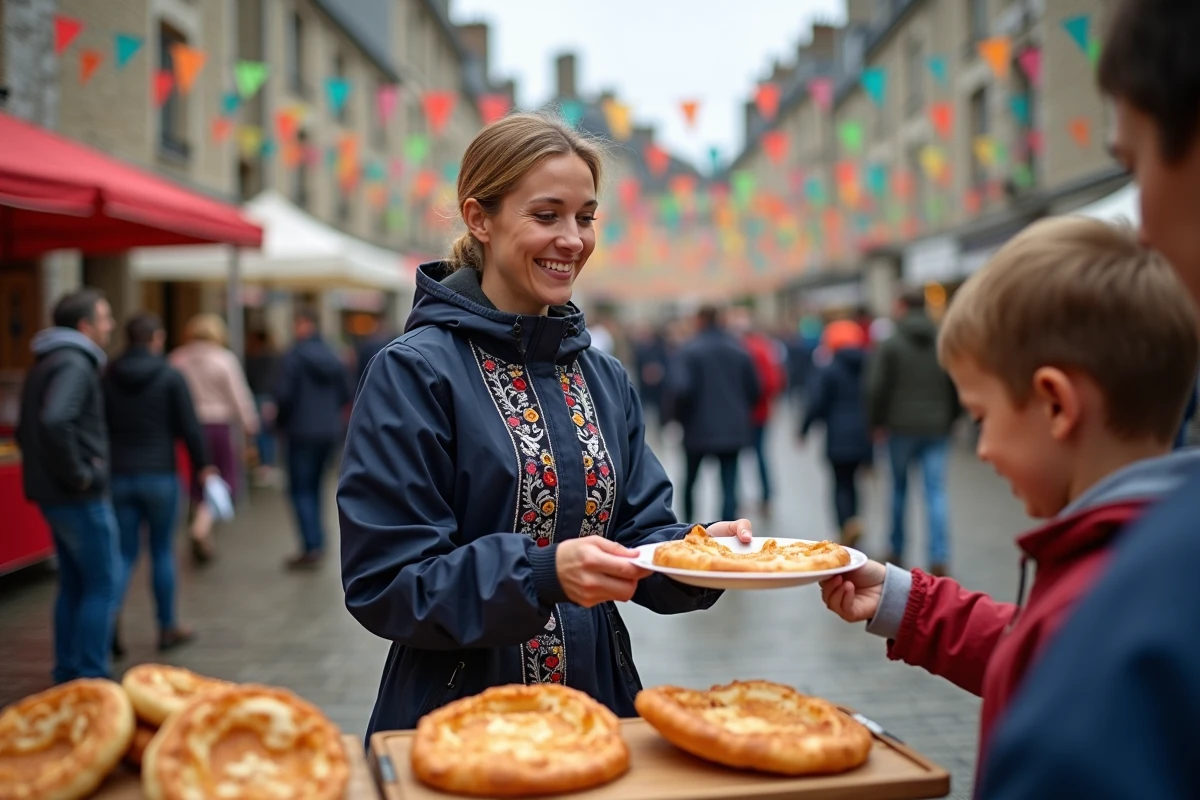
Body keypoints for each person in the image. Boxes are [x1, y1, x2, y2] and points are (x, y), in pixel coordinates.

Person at [337, 113, 752, 737]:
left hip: (598, 705)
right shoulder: (414, 372)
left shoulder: (604, 376)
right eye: (546, 215)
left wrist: (695, 554)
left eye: (585, 217)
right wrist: (541, 573)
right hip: (461, 717)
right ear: (479, 218)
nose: (573, 240)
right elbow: (387, 581)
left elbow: (638, 532)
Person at [818, 218, 1200, 796]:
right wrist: (905, 601)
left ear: (1056, 405)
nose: (983, 449)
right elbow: (1038, 652)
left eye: (981, 417)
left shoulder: (1118, 601)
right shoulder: (1143, 563)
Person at [980, 2, 1200, 795]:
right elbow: (1032, 648)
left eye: (1136, 165)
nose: (1143, 232)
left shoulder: (1151, 592)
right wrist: (908, 603)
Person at [16, 288, 119, 683]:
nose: (110, 325)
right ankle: (92, 677)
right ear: (85, 325)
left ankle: (69, 674)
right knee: (100, 585)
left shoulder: (47, 361)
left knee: (74, 585)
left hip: (55, 494)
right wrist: (81, 474)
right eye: (105, 318)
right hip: (78, 495)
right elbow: (55, 420)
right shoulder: (75, 363)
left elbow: (30, 428)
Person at [104, 312, 212, 653]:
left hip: (119, 474)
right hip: (161, 475)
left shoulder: (107, 374)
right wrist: (203, 465)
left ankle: (107, 622)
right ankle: (167, 627)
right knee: (163, 550)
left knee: (123, 553)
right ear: (156, 338)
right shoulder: (169, 374)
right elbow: (189, 425)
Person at [867, 286, 960, 575]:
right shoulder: (942, 341)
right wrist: (951, 418)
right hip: (936, 427)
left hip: (899, 428)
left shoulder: (891, 343)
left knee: (898, 489)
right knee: (935, 491)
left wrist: (876, 422)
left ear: (902, 306)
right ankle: (939, 555)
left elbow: (875, 387)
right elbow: (957, 383)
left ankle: (896, 549)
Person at [170, 313, 259, 562]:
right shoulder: (224, 359)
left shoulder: (177, 358)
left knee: (196, 479)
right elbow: (238, 395)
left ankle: (202, 530)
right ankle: (201, 527)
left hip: (187, 427)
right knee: (222, 478)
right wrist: (250, 424)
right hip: (218, 426)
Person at [275, 308, 352, 569]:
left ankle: (311, 545)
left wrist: (279, 423)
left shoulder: (294, 356)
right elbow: (347, 391)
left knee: (301, 489)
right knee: (317, 487)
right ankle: (318, 541)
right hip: (329, 431)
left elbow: (284, 396)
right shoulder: (333, 354)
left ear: (303, 325)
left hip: (300, 432)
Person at [673, 305, 761, 522]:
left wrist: (677, 419)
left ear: (700, 320)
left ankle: (688, 525)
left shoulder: (690, 350)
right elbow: (755, 390)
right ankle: (728, 529)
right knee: (729, 483)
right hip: (732, 427)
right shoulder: (739, 349)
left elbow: (681, 390)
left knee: (691, 480)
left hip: (697, 428)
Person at [799, 320, 873, 546]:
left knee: (840, 483)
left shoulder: (829, 369)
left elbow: (817, 402)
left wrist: (804, 429)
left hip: (838, 435)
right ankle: (854, 521)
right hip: (863, 434)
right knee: (854, 482)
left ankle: (844, 527)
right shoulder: (869, 366)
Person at [729, 307, 786, 517]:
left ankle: (738, 500)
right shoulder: (762, 347)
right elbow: (774, 381)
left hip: (745, 414)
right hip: (759, 412)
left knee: (736, 459)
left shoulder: (742, 349)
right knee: (759, 455)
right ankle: (765, 497)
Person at [244, 329, 282, 487]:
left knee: (262, 433)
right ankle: (266, 465)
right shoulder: (274, 357)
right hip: (267, 397)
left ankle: (264, 465)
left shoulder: (254, 358)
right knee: (266, 432)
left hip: (259, 396)